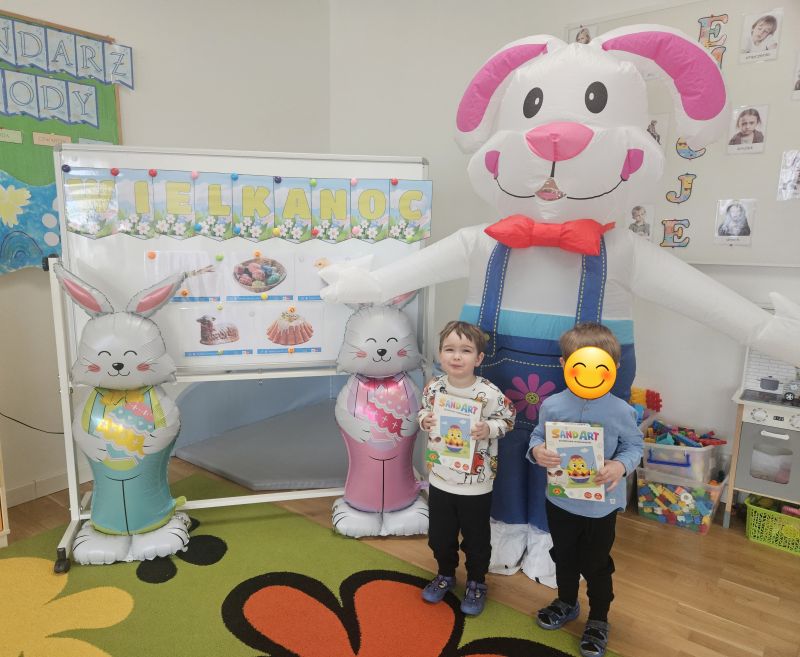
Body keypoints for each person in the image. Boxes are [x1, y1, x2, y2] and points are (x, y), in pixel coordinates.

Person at [528, 323, 643, 657]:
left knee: (596, 565)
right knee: (563, 556)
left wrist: (620, 466)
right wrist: (537, 451)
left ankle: (599, 618)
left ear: (613, 367)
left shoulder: (621, 410)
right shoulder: (552, 405)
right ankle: (566, 601)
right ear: (565, 364)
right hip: (561, 501)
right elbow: (538, 436)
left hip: (599, 508)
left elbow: (634, 446)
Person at [418, 320, 516, 617]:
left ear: (479, 357)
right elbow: (424, 411)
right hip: (440, 477)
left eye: (465, 350)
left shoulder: (489, 393)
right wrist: (424, 420)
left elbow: (508, 419)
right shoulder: (434, 387)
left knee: (476, 540)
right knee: (439, 536)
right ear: (440, 354)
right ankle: (445, 574)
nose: (456, 356)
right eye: (449, 349)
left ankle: (476, 582)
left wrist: (489, 428)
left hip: (477, 483)